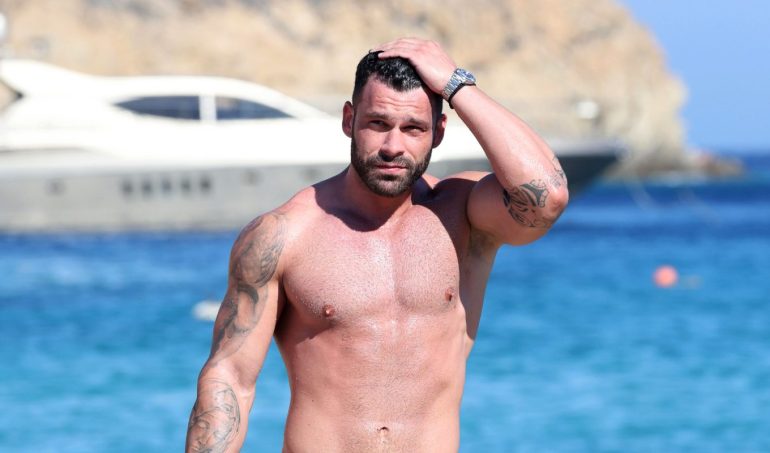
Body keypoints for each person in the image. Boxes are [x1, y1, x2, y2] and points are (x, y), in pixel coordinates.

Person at [186, 38, 568, 452]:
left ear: (438, 132)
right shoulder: (282, 235)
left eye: (413, 128)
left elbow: (547, 196)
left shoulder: (463, 215)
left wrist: (457, 85)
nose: (393, 147)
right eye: (378, 123)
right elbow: (230, 379)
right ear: (349, 120)